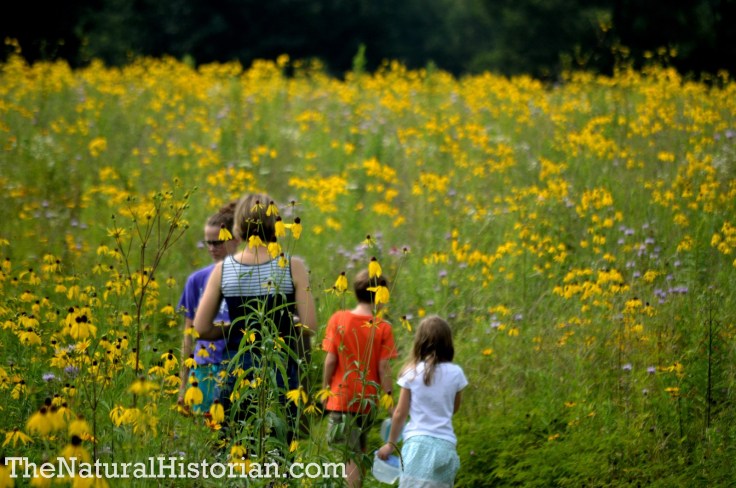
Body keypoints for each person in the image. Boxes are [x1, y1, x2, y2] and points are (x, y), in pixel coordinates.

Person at [194, 193, 316, 443]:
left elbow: (201, 328)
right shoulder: (293, 266)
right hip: (281, 372)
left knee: (236, 449)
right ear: (275, 223)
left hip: (236, 371)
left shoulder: (223, 269)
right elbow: (309, 326)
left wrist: (236, 327)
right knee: (277, 452)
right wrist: (283, 325)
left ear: (238, 226)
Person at [322, 269, 397, 488]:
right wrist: (389, 399)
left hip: (341, 398)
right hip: (367, 401)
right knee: (357, 454)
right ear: (381, 295)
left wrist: (325, 389)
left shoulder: (339, 319)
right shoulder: (382, 327)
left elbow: (330, 360)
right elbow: (384, 368)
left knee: (349, 456)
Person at [377, 315, 468, 488]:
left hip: (416, 447)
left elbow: (400, 414)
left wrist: (390, 445)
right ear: (448, 343)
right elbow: (453, 408)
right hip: (445, 447)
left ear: (419, 342)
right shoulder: (456, 373)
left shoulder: (411, 373)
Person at [177, 202, 239, 413]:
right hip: (203, 369)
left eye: (219, 242)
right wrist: (183, 385)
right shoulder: (197, 280)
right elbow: (188, 335)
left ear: (236, 239)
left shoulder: (248, 278)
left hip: (236, 367)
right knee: (207, 434)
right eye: (208, 243)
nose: (212, 248)